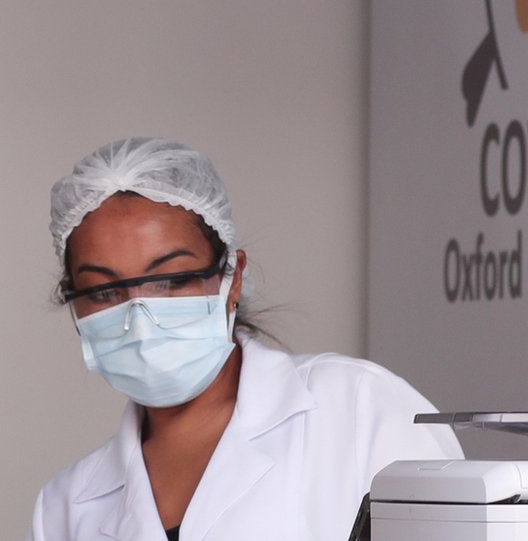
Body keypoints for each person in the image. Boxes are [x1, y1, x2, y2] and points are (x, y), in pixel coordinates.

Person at [28, 138, 463, 540]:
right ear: (74, 303)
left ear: (231, 279)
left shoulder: (361, 409)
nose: (140, 316)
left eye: (172, 280)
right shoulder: (64, 507)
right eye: (104, 291)